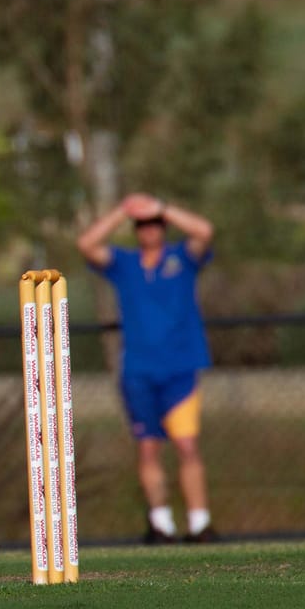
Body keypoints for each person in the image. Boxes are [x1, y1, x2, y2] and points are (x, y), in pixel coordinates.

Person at [77, 192, 218, 544]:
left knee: (187, 445)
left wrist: (162, 208)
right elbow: (87, 243)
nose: (149, 230)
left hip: (181, 368)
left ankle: (199, 523)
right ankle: (161, 523)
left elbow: (204, 232)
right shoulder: (125, 265)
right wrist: (123, 210)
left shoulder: (181, 258)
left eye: (155, 224)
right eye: (143, 225)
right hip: (138, 370)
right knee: (148, 447)